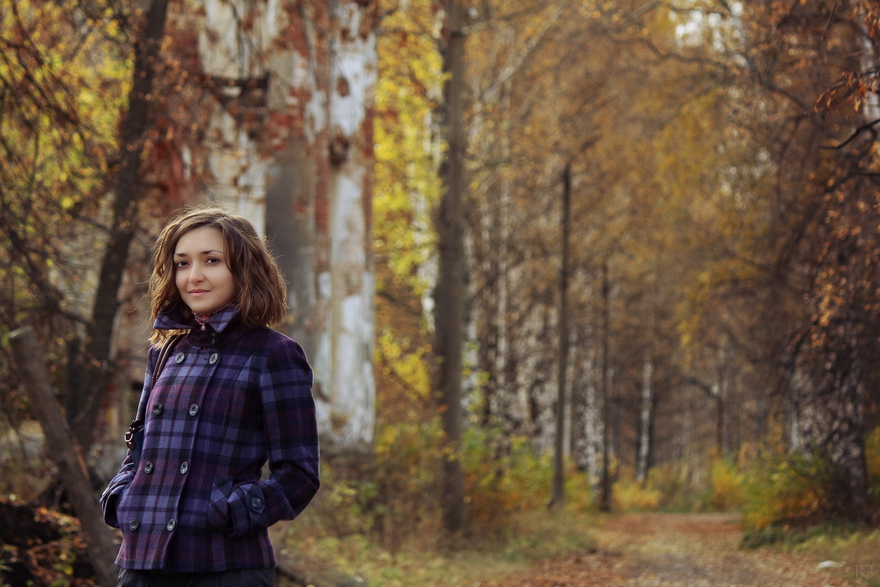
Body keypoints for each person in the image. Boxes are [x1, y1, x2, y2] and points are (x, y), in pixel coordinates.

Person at [101, 206, 320, 585]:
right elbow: (138, 451)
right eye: (182, 264)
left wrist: (229, 512)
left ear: (244, 269)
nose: (194, 277)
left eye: (212, 261)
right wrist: (122, 498)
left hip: (225, 566)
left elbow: (299, 474)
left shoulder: (274, 353)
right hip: (141, 563)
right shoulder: (164, 352)